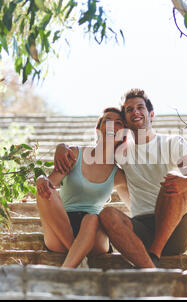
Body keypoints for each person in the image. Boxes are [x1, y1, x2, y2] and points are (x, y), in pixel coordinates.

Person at [54, 89, 187, 268]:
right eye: (129, 110)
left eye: (140, 107)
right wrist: (62, 147)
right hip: (142, 229)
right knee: (106, 214)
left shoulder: (173, 142)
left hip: (176, 228)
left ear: (151, 114)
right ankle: (150, 270)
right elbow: (95, 152)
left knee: (173, 181)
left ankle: (154, 254)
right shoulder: (121, 153)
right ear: (125, 121)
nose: (135, 112)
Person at [36, 107, 129, 268]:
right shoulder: (74, 154)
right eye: (107, 121)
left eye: (118, 122)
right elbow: (50, 184)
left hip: (94, 235)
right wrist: (40, 179)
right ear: (98, 129)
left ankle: (67, 269)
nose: (112, 125)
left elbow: (141, 199)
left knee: (92, 218)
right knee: (44, 191)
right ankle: (77, 257)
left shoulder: (118, 174)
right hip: (61, 228)